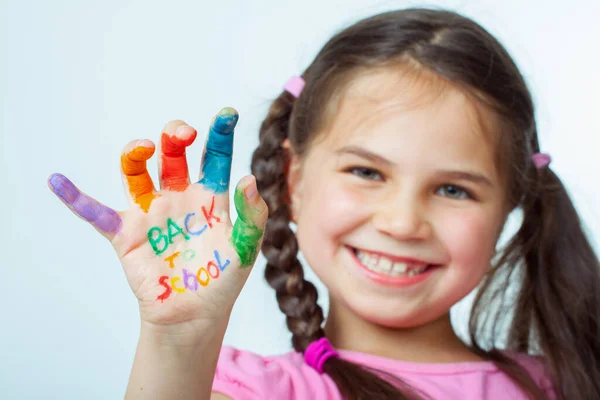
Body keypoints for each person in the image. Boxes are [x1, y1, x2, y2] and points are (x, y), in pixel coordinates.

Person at [47, 7, 600, 400]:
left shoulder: (564, 384)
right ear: (293, 179)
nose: (403, 222)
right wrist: (179, 337)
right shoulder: (245, 390)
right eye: (365, 172)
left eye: (453, 189)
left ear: (509, 206)